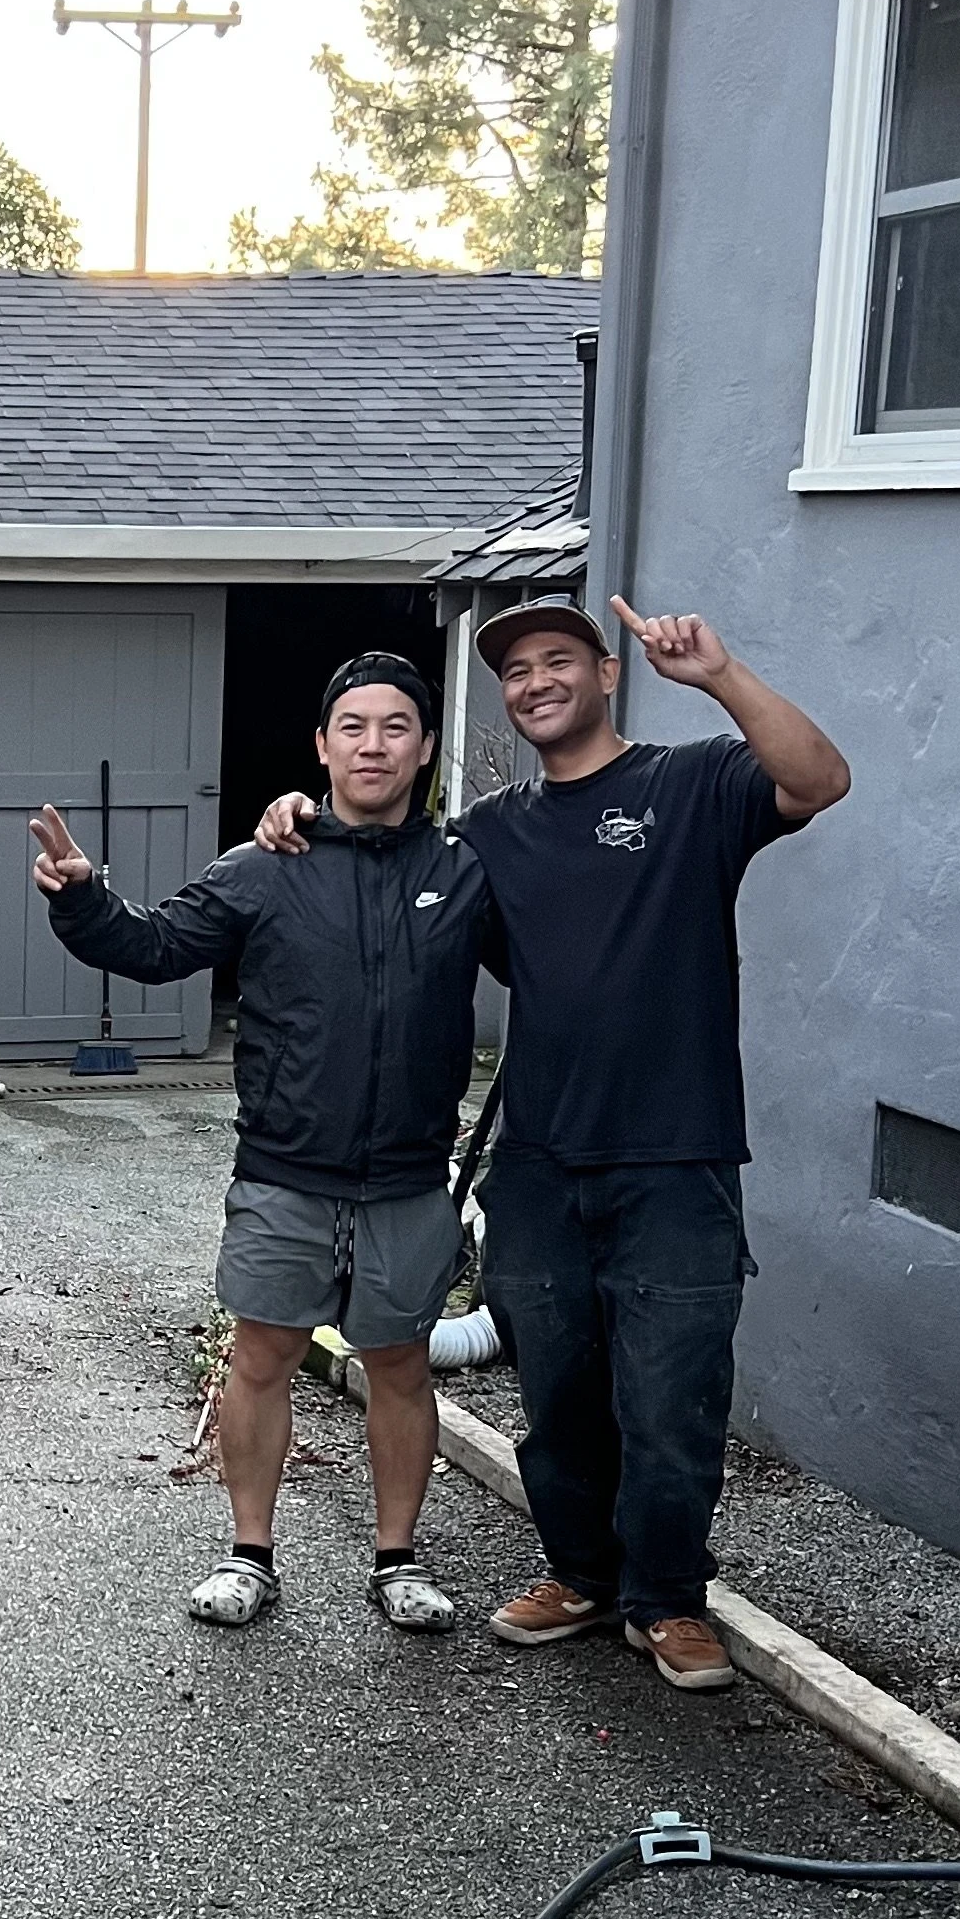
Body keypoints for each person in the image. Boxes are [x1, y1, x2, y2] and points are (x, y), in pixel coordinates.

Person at [257, 595, 849, 1689]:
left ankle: (669, 1599)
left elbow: (819, 781)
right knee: (560, 1398)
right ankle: (582, 1575)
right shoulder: (491, 833)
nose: (535, 681)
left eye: (557, 660)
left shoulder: (690, 785)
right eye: (516, 670)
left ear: (607, 674)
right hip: (536, 1161)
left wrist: (719, 673)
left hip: (676, 1159)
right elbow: (386, 874)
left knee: (671, 1402)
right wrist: (304, 811)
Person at [30, 652, 488, 1633]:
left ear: (427, 748)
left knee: (399, 1365)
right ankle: (250, 1555)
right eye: (353, 726)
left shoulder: (462, 874)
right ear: (322, 746)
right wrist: (80, 896)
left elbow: (557, 963)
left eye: (396, 726)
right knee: (261, 1357)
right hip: (285, 1171)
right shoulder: (262, 870)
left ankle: (397, 1561)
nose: (374, 743)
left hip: (406, 1177)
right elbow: (152, 947)